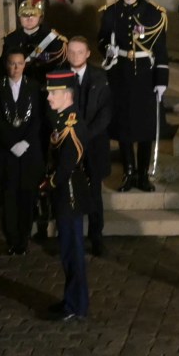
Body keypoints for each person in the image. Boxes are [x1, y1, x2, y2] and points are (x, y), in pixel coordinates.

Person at [97, 0, 170, 192]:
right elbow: (101, 41)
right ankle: (128, 171)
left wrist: (161, 79)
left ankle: (142, 174)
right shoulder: (110, 12)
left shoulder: (153, 13)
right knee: (124, 124)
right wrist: (108, 49)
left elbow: (160, 48)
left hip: (145, 76)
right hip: (120, 74)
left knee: (146, 126)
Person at [43, 68, 91, 321]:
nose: (49, 98)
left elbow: (65, 166)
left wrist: (48, 183)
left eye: (53, 93)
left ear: (66, 95)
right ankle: (72, 300)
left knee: (72, 252)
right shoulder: (62, 120)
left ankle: (76, 305)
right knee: (67, 252)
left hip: (69, 194)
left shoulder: (71, 125)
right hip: (65, 194)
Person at [62, 36, 114, 255]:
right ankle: (70, 237)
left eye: (79, 52)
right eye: (71, 52)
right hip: (67, 144)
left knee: (94, 193)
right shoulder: (59, 75)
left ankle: (96, 236)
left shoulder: (100, 76)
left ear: (88, 53)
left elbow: (105, 112)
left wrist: (86, 136)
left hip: (93, 144)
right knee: (68, 191)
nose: (75, 56)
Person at [0, 0, 65, 72]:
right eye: (25, 15)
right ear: (19, 18)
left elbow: (59, 67)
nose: (29, 19)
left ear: (40, 17)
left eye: (33, 15)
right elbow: (3, 67)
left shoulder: (52, 39)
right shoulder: (10, 39)